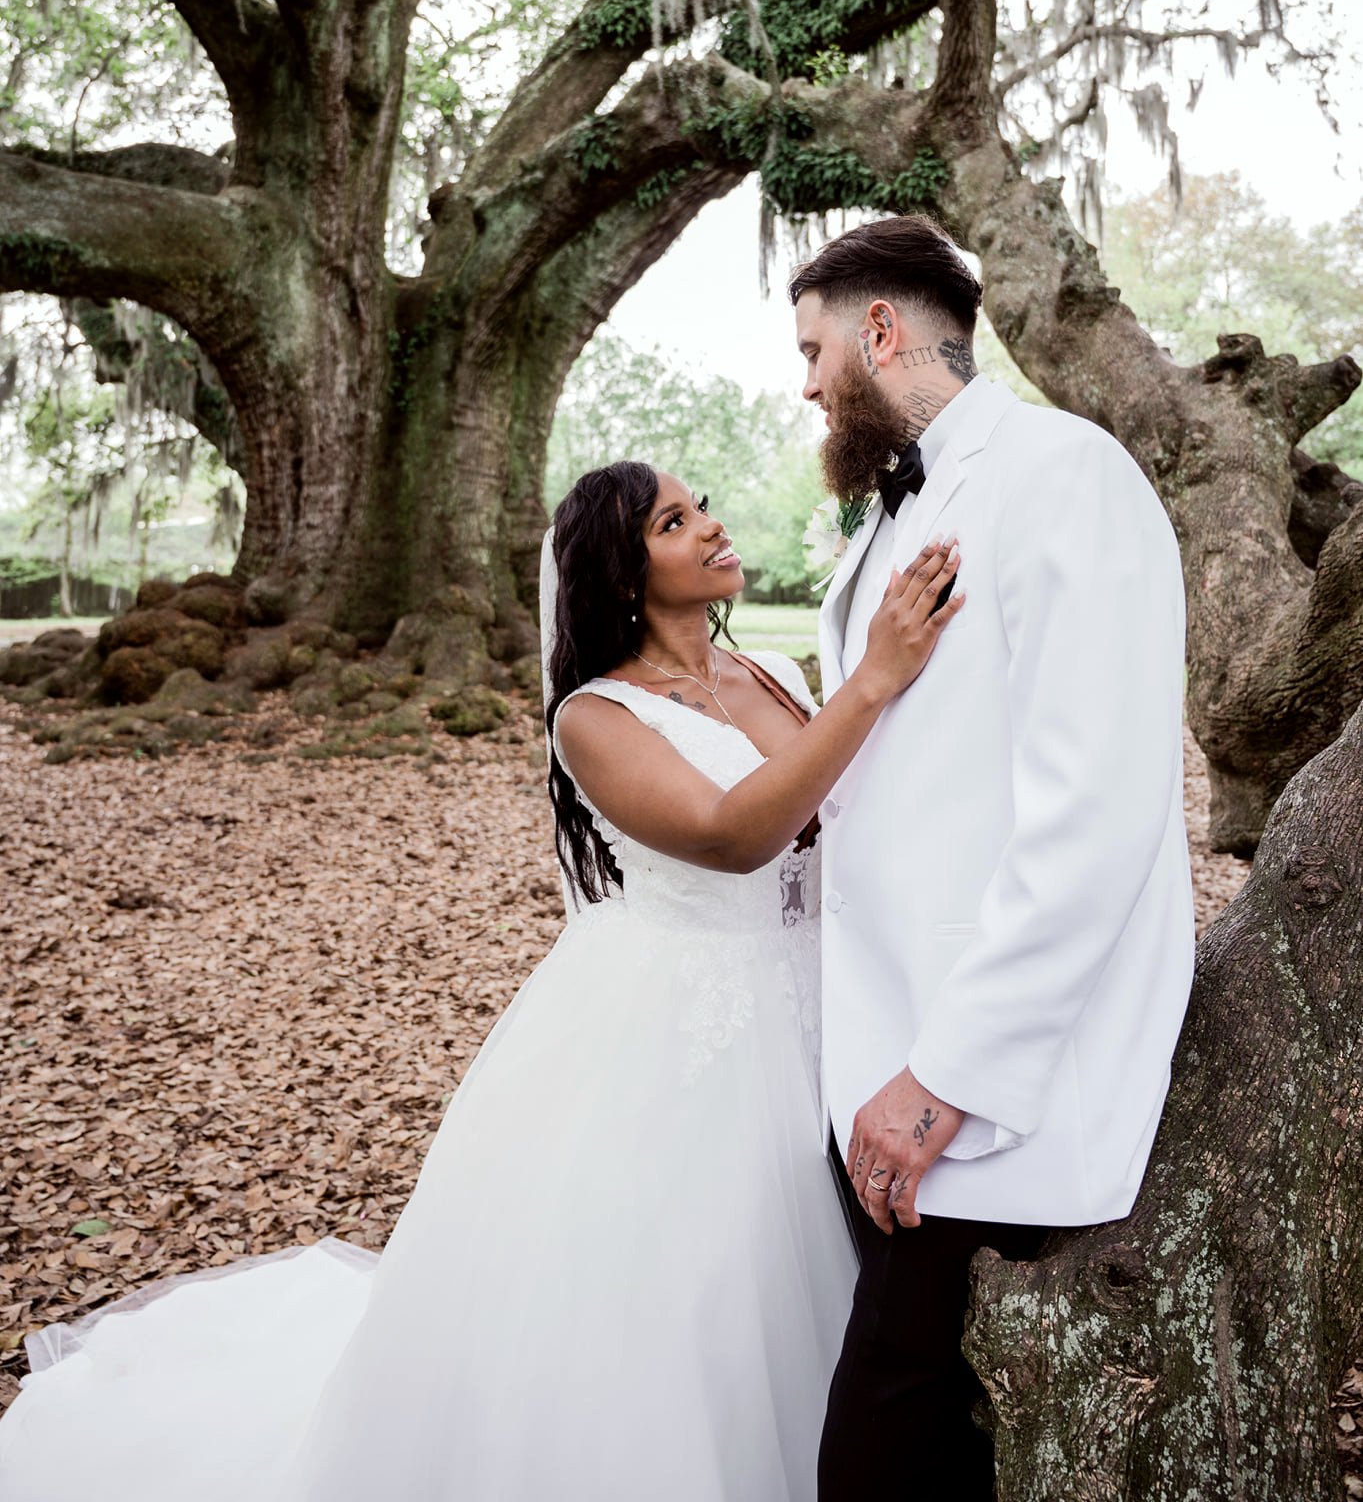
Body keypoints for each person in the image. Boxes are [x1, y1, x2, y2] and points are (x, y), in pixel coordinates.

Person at [0, 459, 962, 1502]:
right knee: (688, 1299)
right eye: (675, 523)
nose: (713, 527)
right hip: (678, 1031)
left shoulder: (768, 670)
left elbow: (843, 810)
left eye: (702, 507)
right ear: (623, 575)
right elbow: (735, 837)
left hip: (819, 1007)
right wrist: (872, 678)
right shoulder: (595, 719)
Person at [792, 215, 1196, 1500]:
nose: (805, 385)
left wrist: (942, 1075)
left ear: (877, 329)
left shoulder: (1063, 472)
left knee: (876, 1446)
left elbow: (1095, 807)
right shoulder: (879, 524)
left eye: (812, 351)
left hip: (992, 1078)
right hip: (889, 1049)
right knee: (950, 1443)